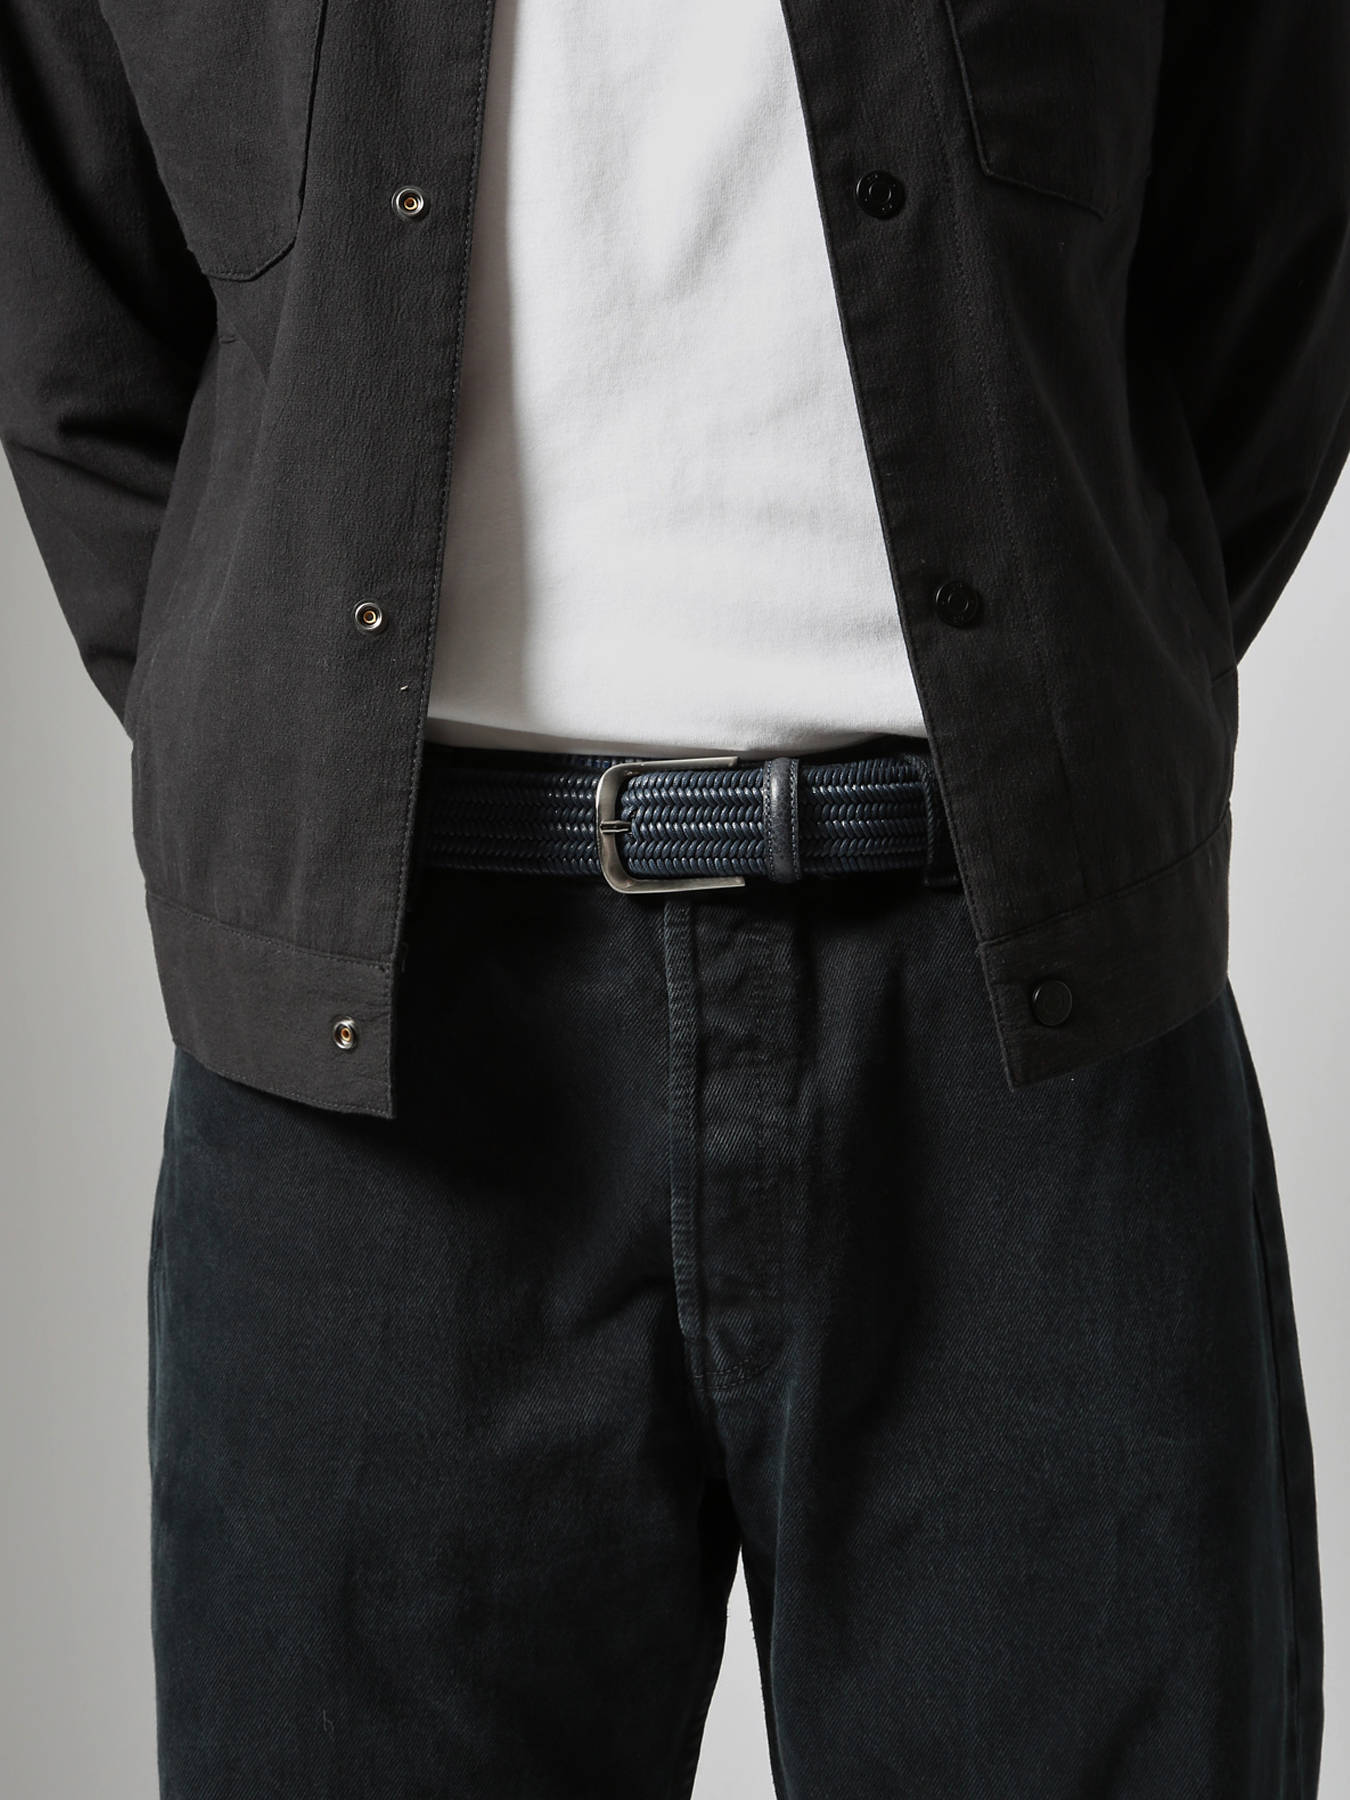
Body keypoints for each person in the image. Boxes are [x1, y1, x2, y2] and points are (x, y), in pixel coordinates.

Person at [1, 0, 1343, 1793]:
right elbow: (65, 303)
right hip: (374, 1067)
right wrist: (264, 712)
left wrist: (1076, 690)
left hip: (1028, 1035)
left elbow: (1277, 229)